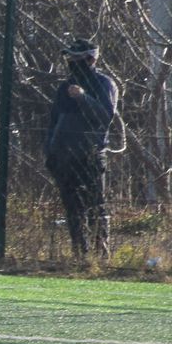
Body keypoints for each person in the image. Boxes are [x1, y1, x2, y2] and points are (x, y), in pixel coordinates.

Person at [44, 36, 117, 259]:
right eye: (71, 58)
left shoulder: (104, 83)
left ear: (90, 59)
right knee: (72, 207)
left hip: (91, 154)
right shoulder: (64, 87)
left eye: (78, 58)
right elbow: (54, 121)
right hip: (64, 155)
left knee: (97, 204)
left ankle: (101, 252)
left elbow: (105, 116)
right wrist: (50, 151)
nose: (73, 62)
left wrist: (83, 97)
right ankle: (79, 252)